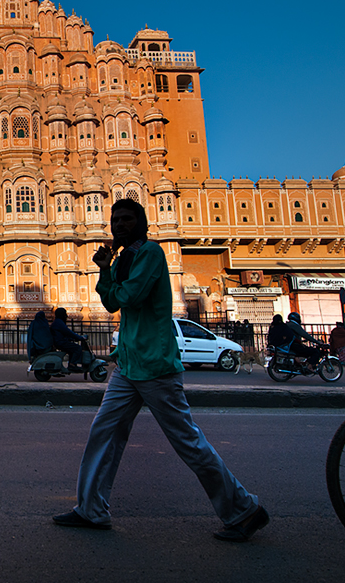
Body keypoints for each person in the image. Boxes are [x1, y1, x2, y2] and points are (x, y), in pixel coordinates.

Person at [53, 198, 268, 542]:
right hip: (129, 365)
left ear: (140, 223)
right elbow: (111, 302)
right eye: (115, 220)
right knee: (103, 433)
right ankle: (91, 509)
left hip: (155, 366)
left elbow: (132, 296)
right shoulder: (125, 259)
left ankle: (245, 510)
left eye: (127, 219)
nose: (119, 225)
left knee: (188, 442)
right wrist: (106, 269)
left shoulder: (150, 253)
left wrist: (113, 276)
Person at [50, 307, 88, 372]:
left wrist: (73, 338)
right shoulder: (59, 323)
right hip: (61, 342)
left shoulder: (57, 322)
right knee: (78, 348)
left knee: (72, 349)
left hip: (60, 341)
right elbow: (68, 332)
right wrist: (79, 337)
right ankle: (73, 364)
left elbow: (64, 333)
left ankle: (71, 364)